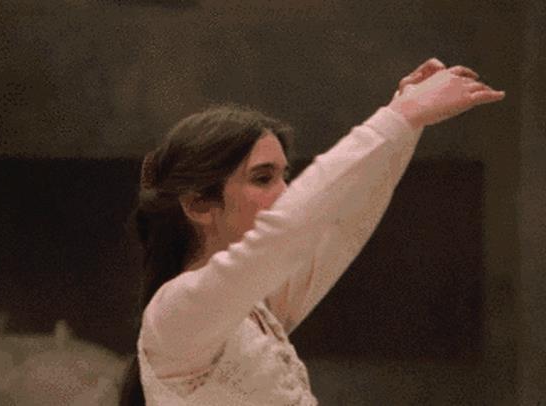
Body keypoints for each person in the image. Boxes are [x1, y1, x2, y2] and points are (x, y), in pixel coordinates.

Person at [120, 58, 505, 405]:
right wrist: (399, 116)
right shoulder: (175, 313)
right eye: (262, 178)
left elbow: (340, 224)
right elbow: (292, 227)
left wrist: (408, 122)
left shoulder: (257, 306)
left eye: (284, 176)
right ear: (198, 205)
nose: (285, 191)